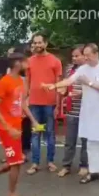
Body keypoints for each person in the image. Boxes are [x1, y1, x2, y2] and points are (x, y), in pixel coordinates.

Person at [42, 43, 99, 184]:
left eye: (88, 55)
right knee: (91, 143)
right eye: (84, 55)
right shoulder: (83, 68)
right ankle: (94, 171)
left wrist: (89, 83)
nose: (86, 58)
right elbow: (69, 80)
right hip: (88, 111)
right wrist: (54, 86)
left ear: (96, 54)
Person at [0, 53, 40, 196]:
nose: (28, 64)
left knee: (17, 160)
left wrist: (33, 121)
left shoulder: (20, 82)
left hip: (16, 126)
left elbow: (22, 104)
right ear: (17, 63)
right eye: (25, 62)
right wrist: (8, 128)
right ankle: (11, 195)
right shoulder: (5, 82)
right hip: (6, 129)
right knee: (16, 163)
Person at [25, 33, 63, 175]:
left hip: (49, 104)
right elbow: (27, 81)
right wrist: (26, 98)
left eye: (40, 42)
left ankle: (50, 161)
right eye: (35, 43)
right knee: (35, 133)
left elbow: (59, 84)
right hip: (34, 104)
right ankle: (35, 163)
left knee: (49, 134)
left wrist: (58, 106)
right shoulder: (29, 61)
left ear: (46, 44)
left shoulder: (55, 61)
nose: (37, 45)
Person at [57, 45, 89, 178]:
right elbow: (66, 85)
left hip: (86, 111)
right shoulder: (70, 69)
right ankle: (66, 165)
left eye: (77, 56)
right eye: (73, 56)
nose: (74, 58)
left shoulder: (89, 70)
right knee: (69, 140)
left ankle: (84, 165)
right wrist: (62, 91)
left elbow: (94, 90)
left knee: (85, 141)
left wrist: (82, 93)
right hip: (71, 111)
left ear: (84, 56)